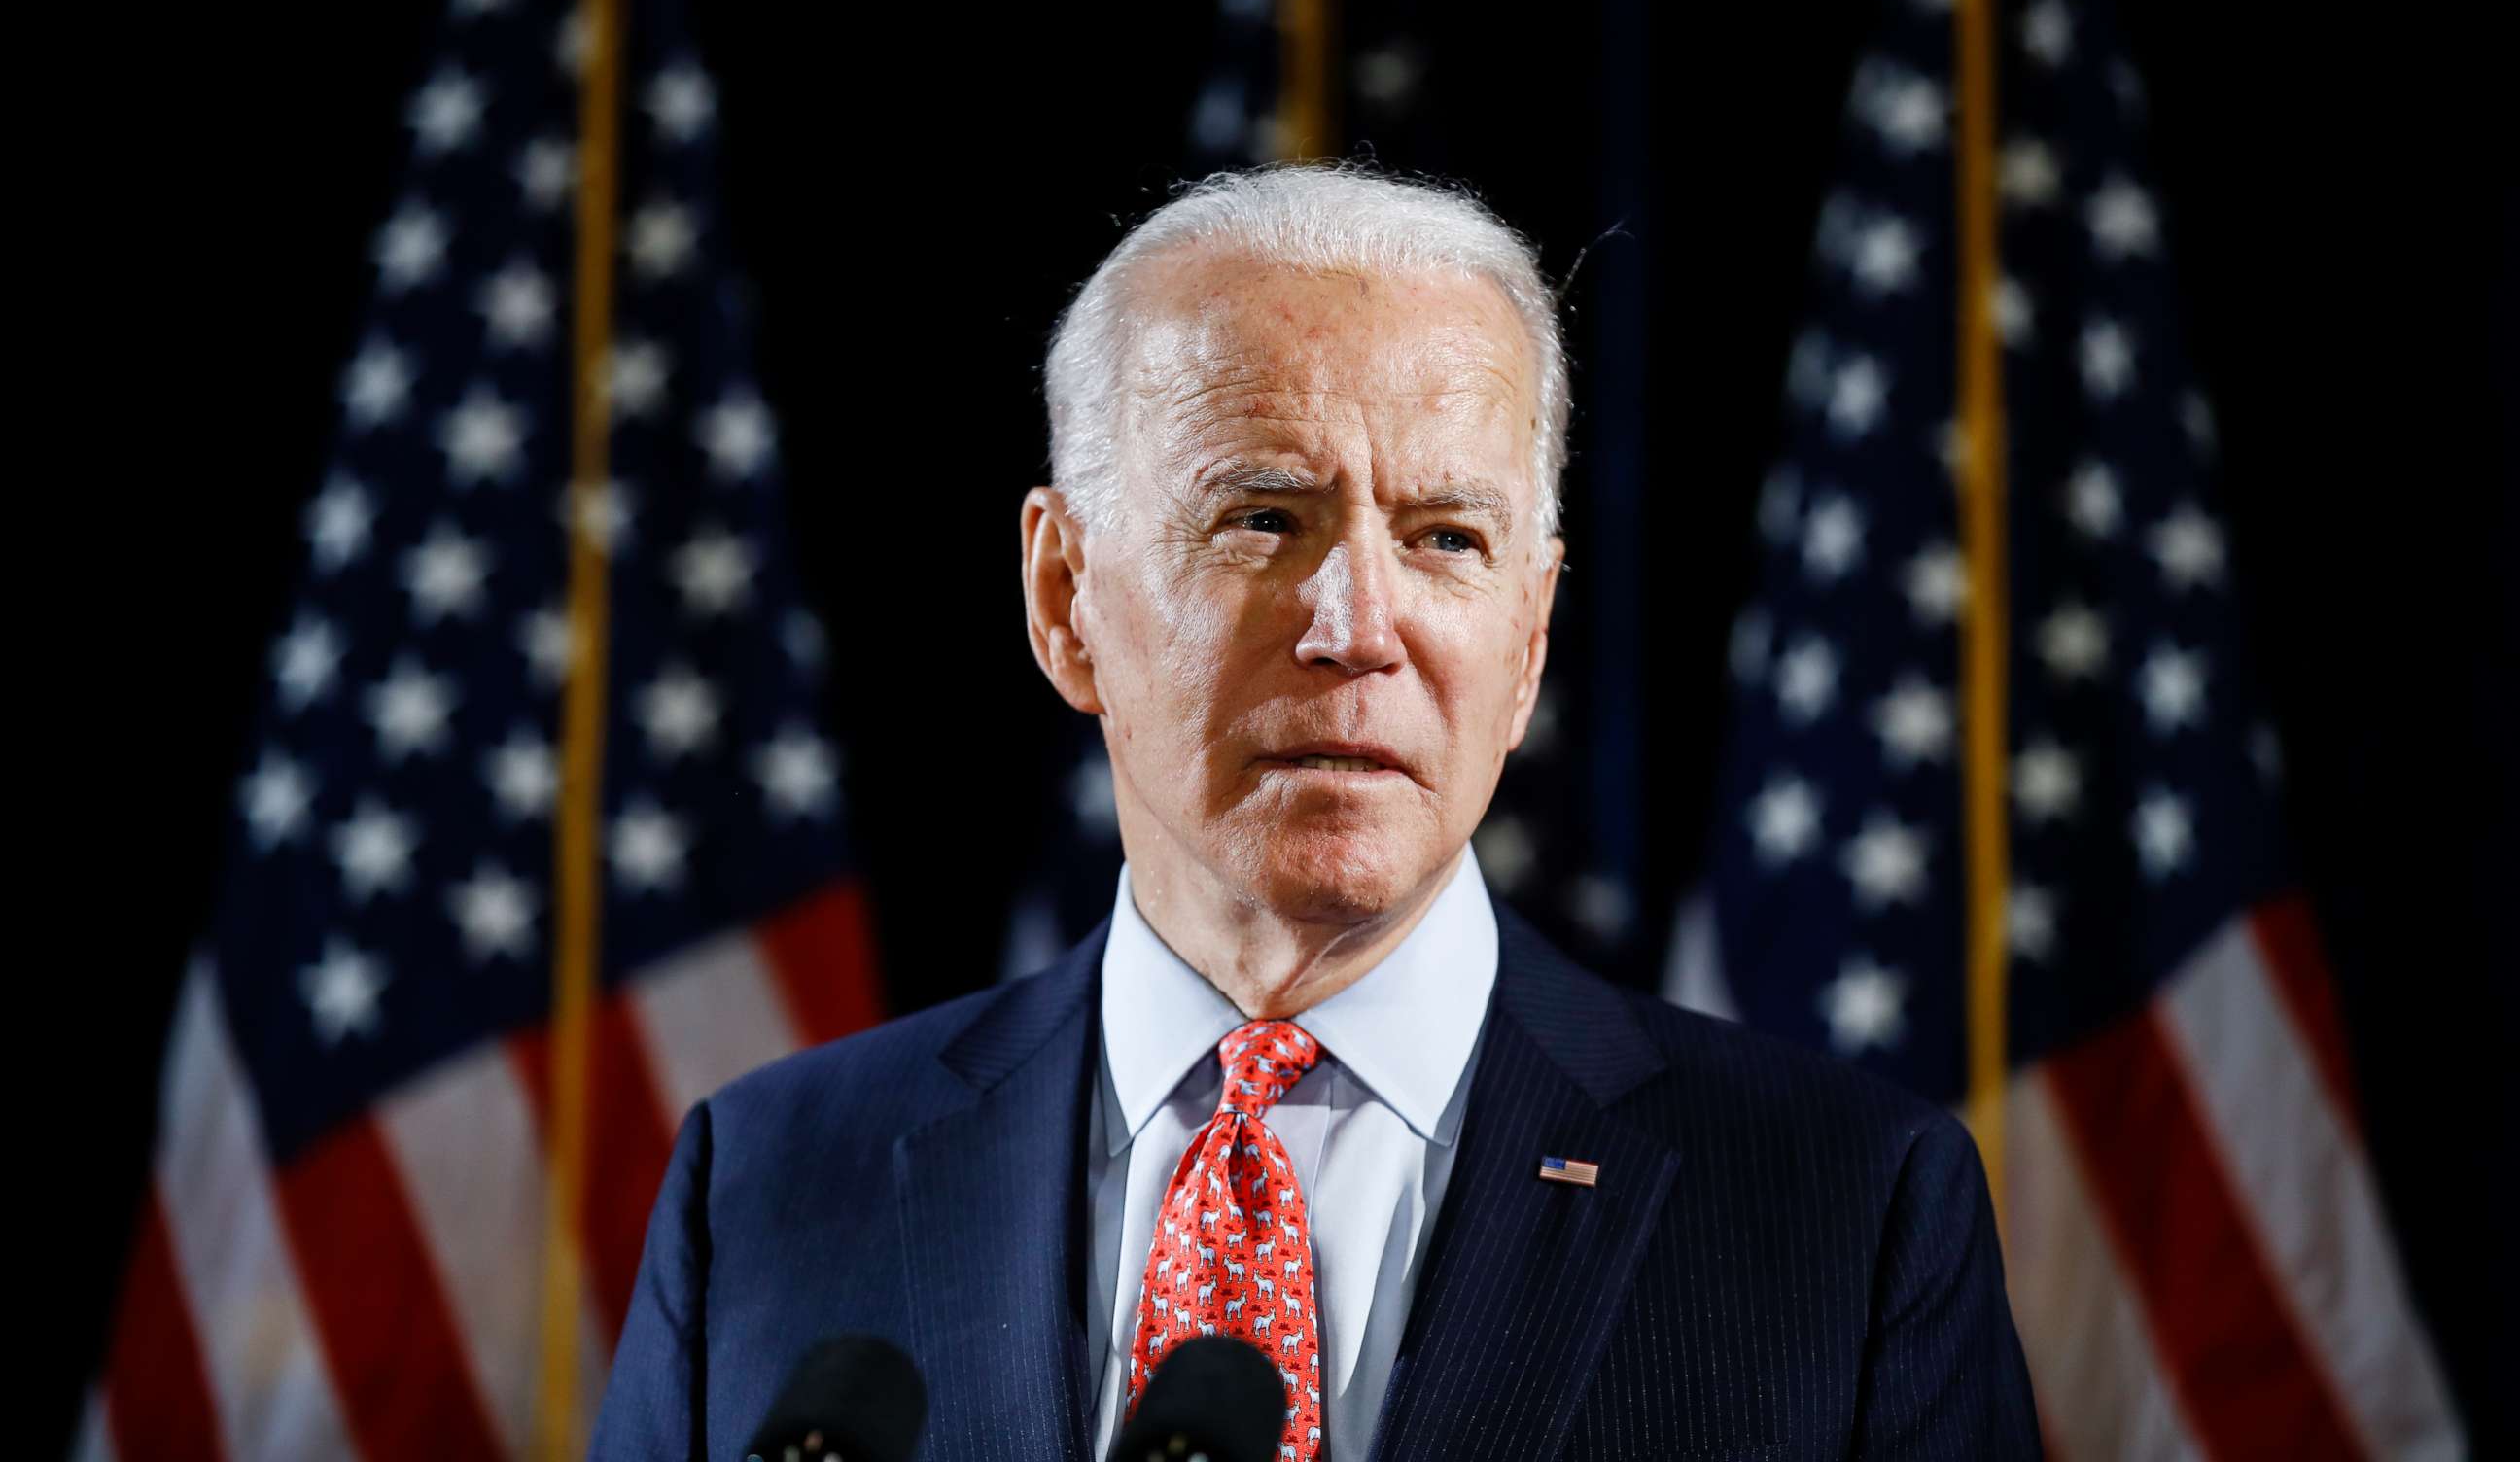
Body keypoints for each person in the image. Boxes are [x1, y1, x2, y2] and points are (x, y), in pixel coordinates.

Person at [592, 165, 2042, 1460]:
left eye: (1446, 538)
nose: (1360, 624)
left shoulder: (1847, 1218)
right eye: (1263, 519)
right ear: (1064, 601)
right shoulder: (771, 1189)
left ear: (1528, 638)